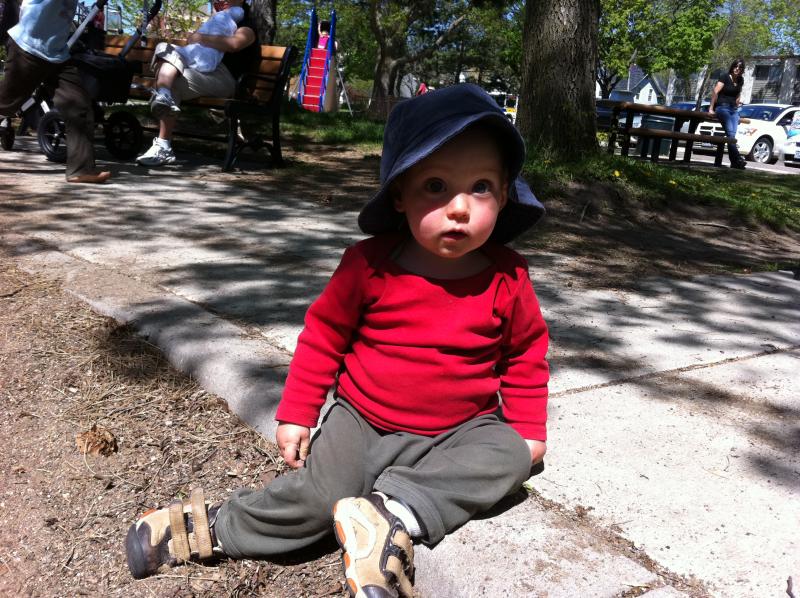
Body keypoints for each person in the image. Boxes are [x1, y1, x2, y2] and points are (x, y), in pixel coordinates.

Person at [125, 83, 549, 598]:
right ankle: (210, 527)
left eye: (480, 187)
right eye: (436, 186)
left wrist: (528, 428)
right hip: (364, 421)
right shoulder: (369, 267)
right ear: (400, 195)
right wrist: (297, 412)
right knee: (318, 497)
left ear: (503, 196)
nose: (459, 207)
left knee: (511, 455)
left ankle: (388, 518)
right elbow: (324, 339)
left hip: (461, 428)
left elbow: (524, 356)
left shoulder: (508, 277)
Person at [135, 0, 257, 167]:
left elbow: (234, 44)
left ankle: (163, 146)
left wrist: (200, 37)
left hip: (226, 78)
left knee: (175, 83)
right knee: (166, 53)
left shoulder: (246, 25)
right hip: (204, 71)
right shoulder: (217, 20)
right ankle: (163, 94)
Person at [0, 0, 111, 183]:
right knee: (5, 104)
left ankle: (80, 170)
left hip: (57, 54)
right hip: (28, 48)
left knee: (79, 105)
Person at [709, 58, 747, 169]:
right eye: (736, 66)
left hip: (733, 110)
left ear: (742, 70)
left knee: (732, 136)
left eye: (740, 67)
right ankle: (737, 159)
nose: (737, 69)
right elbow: (715, 91)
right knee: (730, 134)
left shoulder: (740, 80)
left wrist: (738, 105)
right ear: (732, 67)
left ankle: (735, 162)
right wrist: (711, 108)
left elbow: (737, 94)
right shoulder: (724, 77)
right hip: (722, 108)